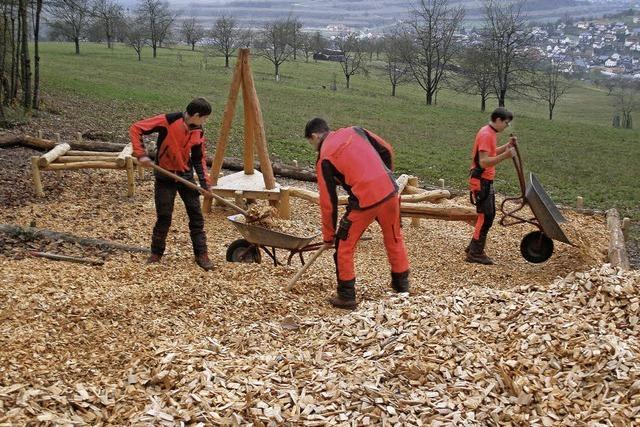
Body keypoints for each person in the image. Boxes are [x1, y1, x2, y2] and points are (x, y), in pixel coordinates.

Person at [304, 118, 410, 310]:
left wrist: (329, 237)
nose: (313, 147)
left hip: (364, 202)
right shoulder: (355, 130)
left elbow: (328, 202)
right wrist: (385, 175)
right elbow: (386, 149)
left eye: (311, 143)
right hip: (390, 193)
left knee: (344, 246)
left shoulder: (324, 158)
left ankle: (346, 296)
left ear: (314, 136)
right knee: (394, 238)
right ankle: (402, 288)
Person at [130, 97, 214, 271]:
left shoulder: (198, 131)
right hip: (164, 177)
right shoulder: (168, 120)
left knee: (196, 217)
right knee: (164, 217)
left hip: (185, 177)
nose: (204, 121)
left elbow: (199, 159)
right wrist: (141, 154)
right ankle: (156, 253)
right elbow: (136, 128)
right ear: (197, 115)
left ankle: (201, 254)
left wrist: (206, 185)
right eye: (204, 118)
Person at [466, 107, 517, 265]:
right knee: (485, 216)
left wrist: (506, 147)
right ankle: (475, 253)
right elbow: (484, 161)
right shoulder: (487, 134)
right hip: (481, 180)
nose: (507, 127)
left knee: (488, 215)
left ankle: (473, 247)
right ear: (498, 120)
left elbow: (491, 152)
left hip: (485, 180)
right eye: (506, 123)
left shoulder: (489, 132)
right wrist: (506, 156)